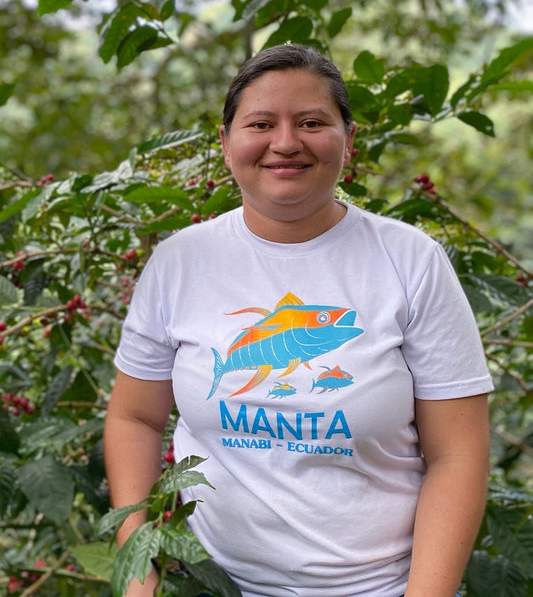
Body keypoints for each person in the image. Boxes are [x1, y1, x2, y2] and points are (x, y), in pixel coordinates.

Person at [104, 44, 493, 597]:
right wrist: (137, 573)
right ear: (226, 143)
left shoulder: (412, 262)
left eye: (312, 122)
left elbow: (457, 454)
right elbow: (135, 419)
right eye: (261, 123)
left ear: (349, 141)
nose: (285, 143)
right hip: (211, 584)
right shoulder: (179, 262)